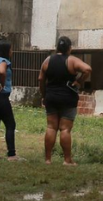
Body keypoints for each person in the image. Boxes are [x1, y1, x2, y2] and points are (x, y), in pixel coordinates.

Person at [39, 36, 92, 165]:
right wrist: (79, 81)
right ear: (69, 48)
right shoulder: (71, 60)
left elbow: (41, 79)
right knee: (65, 129)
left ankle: (47, 159)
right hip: (68, 98)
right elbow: (88, 69)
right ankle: (67, 160)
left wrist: (44, 95)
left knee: (51, 127)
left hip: (51, 97)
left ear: (57, 47)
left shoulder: (47, 60)